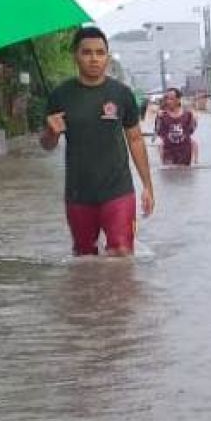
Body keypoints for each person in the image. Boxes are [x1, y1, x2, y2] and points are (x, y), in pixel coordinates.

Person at [40, 26, 155, 256]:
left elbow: (135, 140)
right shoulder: (60, 95)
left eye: (100, 53)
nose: (94, 59)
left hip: (118, 189)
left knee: (122, 252)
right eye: (87, 52)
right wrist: (51, 132)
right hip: (78, 193)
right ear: (76, 55)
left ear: (107, 57)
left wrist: (147, 187)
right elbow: (46, 145)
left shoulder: (122, 94)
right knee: (84, 258)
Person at [154, 87, 198, 166]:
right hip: (168, 151)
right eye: (167, 99)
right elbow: (158, 132)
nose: (168, 101)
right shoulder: (162, 115)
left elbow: (191, 130)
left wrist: (194, 119)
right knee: (168, 172)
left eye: (171, 99)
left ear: (178, 100)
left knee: (185, 173)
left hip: (184, 151)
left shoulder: (188, 114)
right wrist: (158, 118)